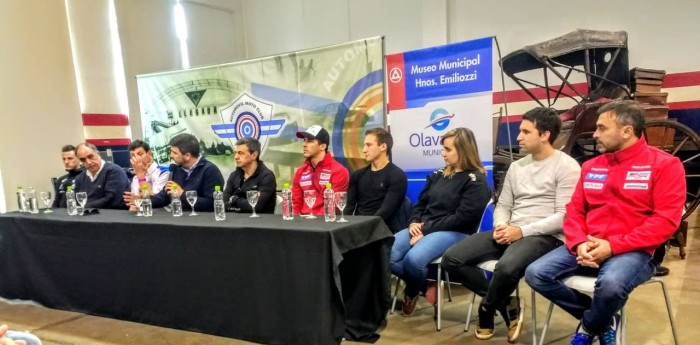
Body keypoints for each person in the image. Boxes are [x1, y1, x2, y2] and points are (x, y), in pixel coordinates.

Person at [525, 100, 686, 345]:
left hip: (637, 251)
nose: (595, 134)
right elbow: (575, 211)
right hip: (587, 245)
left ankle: (588, 329)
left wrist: (612, 246)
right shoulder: (590, 166)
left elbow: (665, 222)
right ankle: (603, 319)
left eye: (602, 128)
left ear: (627, 130)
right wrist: (579, 242)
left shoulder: (665, 165)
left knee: (611, 286)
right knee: (536, 273)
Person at [441, 108, 581, 342]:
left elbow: (563, 217)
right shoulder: (517, 167)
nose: (518, 137)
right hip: (511, 229)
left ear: (545, 134)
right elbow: (504, 203)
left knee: (505, 268)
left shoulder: (567, 166)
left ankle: (486, 310)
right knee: (452, 259)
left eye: (525, 131)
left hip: (545, 236)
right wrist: (501, 225)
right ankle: (505, 303)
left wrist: (521, 231)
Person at [390, 127, 492, 317]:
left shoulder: (476, 181)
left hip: (456, 232)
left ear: (463, 150)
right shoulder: (437, 174)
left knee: (413, 260)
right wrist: (413, 222)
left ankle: (411, 292)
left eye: (448, 149)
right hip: (424, 227)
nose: (442, 153)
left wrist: (425, 230)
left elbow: (462, 218)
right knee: (386, 252)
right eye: (443, 148)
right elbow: (421, 204)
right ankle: (423, 285)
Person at [346, 128, 408, 232]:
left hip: (383, 231)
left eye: (369, 145)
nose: (364, 150)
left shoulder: (397, 175)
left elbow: (386, 212)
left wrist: (362, 229)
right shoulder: (357, 175)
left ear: (383, 146)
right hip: (357, 229)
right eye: (364, 145)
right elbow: (348, 208)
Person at [150, 133, 224, 211]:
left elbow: (211, 204)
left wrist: (182, 194)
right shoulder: (176, 170)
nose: (171, 155)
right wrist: (141, 202)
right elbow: (164, 197)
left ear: (187, 156)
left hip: (201, 220)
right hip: (178, 218)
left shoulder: (210, 170)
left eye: (174, 153)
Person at [292, 125, 349, 215]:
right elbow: (295, 203)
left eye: (310, 141)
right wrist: (295, 223)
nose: (304, 145)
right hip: (302, 222)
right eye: (304, 141)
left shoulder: (339, 171)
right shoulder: (300, 172)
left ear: (322, 146)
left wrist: (313, 222)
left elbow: (333, 205)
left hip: (325, 223)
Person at [223, 137, 277, 214]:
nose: (236, 157)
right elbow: (224, 203)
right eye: (235, 153)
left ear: (254, 155)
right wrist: (242, 204)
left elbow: (256, 206)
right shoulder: (234, 175)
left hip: (260, 222)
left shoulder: (267, 176)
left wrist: (234, 199)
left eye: (241, 153)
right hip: (234, 221)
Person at [73, 143, 130, 209]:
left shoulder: (114, 171)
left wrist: (85, 207)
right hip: (87, 216)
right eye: (83, 160)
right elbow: (77, 200)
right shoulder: (80, 178)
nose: (88, 162)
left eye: (90, 157)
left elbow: (111, 200)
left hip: (112, 216)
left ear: (98, 154)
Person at [122, 139, 169, 211]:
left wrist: (141, 176)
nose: (136, 158)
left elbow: (154, 201)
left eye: (140, 154)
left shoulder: (164, 172)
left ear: (149, 154)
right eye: (133, 156)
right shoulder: (135, 177)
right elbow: (134, 203)